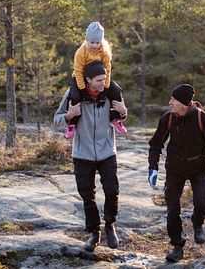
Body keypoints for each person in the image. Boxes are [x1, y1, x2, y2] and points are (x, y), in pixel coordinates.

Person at [54, 60, 128, 252]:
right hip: (82, 154)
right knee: (88, 196)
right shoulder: (73, 95)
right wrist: (69, 115)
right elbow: (57, 120)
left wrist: (124, 112)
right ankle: (94, 233)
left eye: (104, 78)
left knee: (112, 190)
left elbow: (122, 113)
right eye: (98, 79)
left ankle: (110, 225)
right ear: (87, 80)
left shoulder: (110, 93)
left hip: (106, 152)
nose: (103, 82)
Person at [147, 84, 205, 262]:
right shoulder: (168, 118)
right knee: (173, 209)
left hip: (197, 168)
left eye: (174, 100)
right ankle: (177, 246)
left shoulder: (204, 120)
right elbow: (156, 143)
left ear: (185, 103)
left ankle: (197, 224)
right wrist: (153, 167)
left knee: (202, 203)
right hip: (174, 169)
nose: (170, 102)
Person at [66, 21, 127, 139]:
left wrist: (106, 85)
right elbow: (78, 71)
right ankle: (72, 124)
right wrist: (82, 88)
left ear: (101, 41)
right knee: (75, 96)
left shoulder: (104, 51)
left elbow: (107, 68)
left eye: (97, 42)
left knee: (116, 91)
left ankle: (115, 118)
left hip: (100, 78)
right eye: (92, 42)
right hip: (81, 77)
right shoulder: (81, 52)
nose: (94, 45)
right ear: (86, 40)